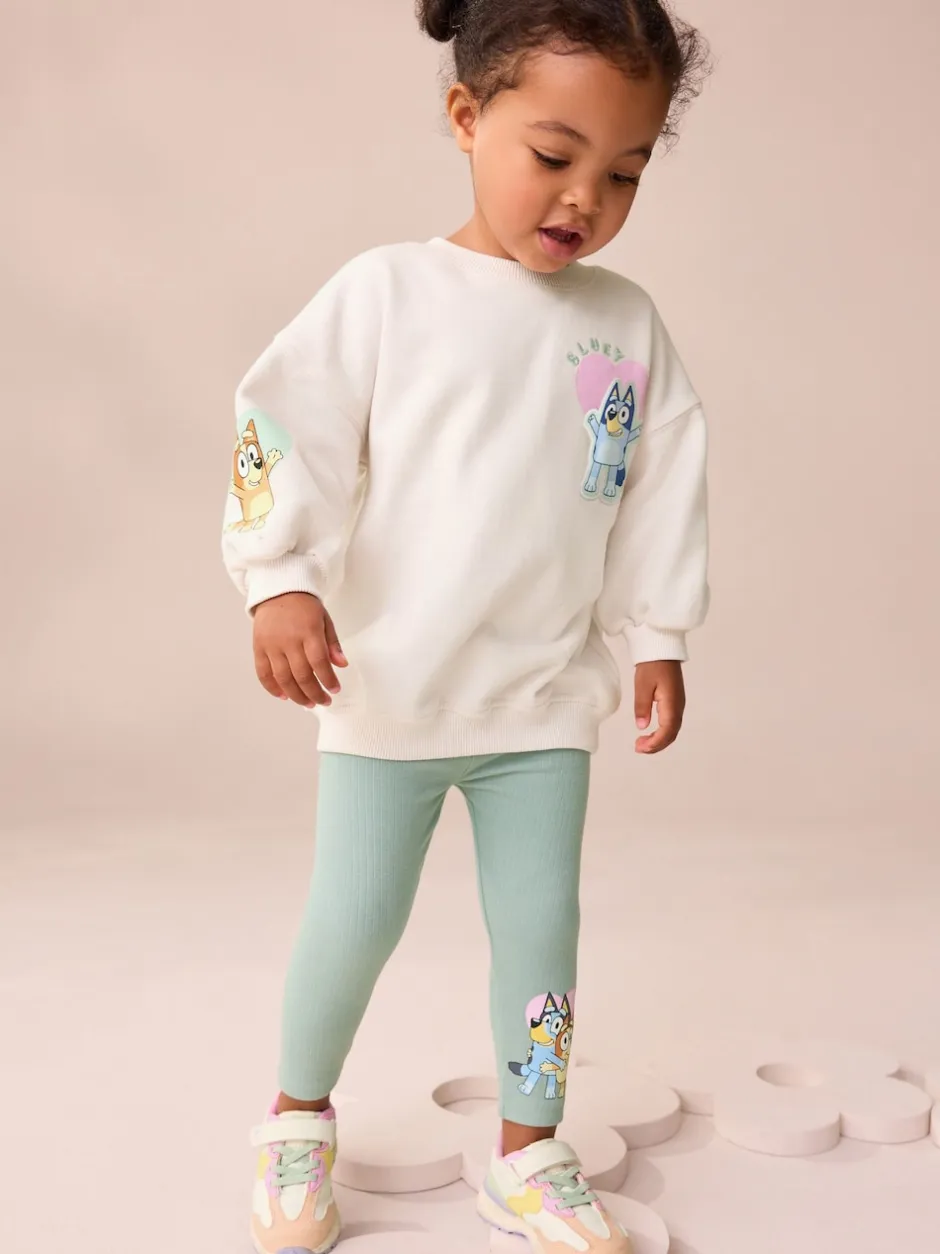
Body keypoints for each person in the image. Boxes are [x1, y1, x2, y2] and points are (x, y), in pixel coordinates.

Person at [222, 1, 711, 1251]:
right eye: (553, 155)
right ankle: (295, 1120)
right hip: (389, 690)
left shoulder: (623, 326)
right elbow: (284, 421)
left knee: (542, 933)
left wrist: (657, 632)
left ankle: (528, 1148)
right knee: (352, 926)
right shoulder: (387, 292)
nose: (584, 198)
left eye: (624, 172)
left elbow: (658, 481)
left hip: (541, 703)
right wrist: (280, 579)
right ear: (465, 116)